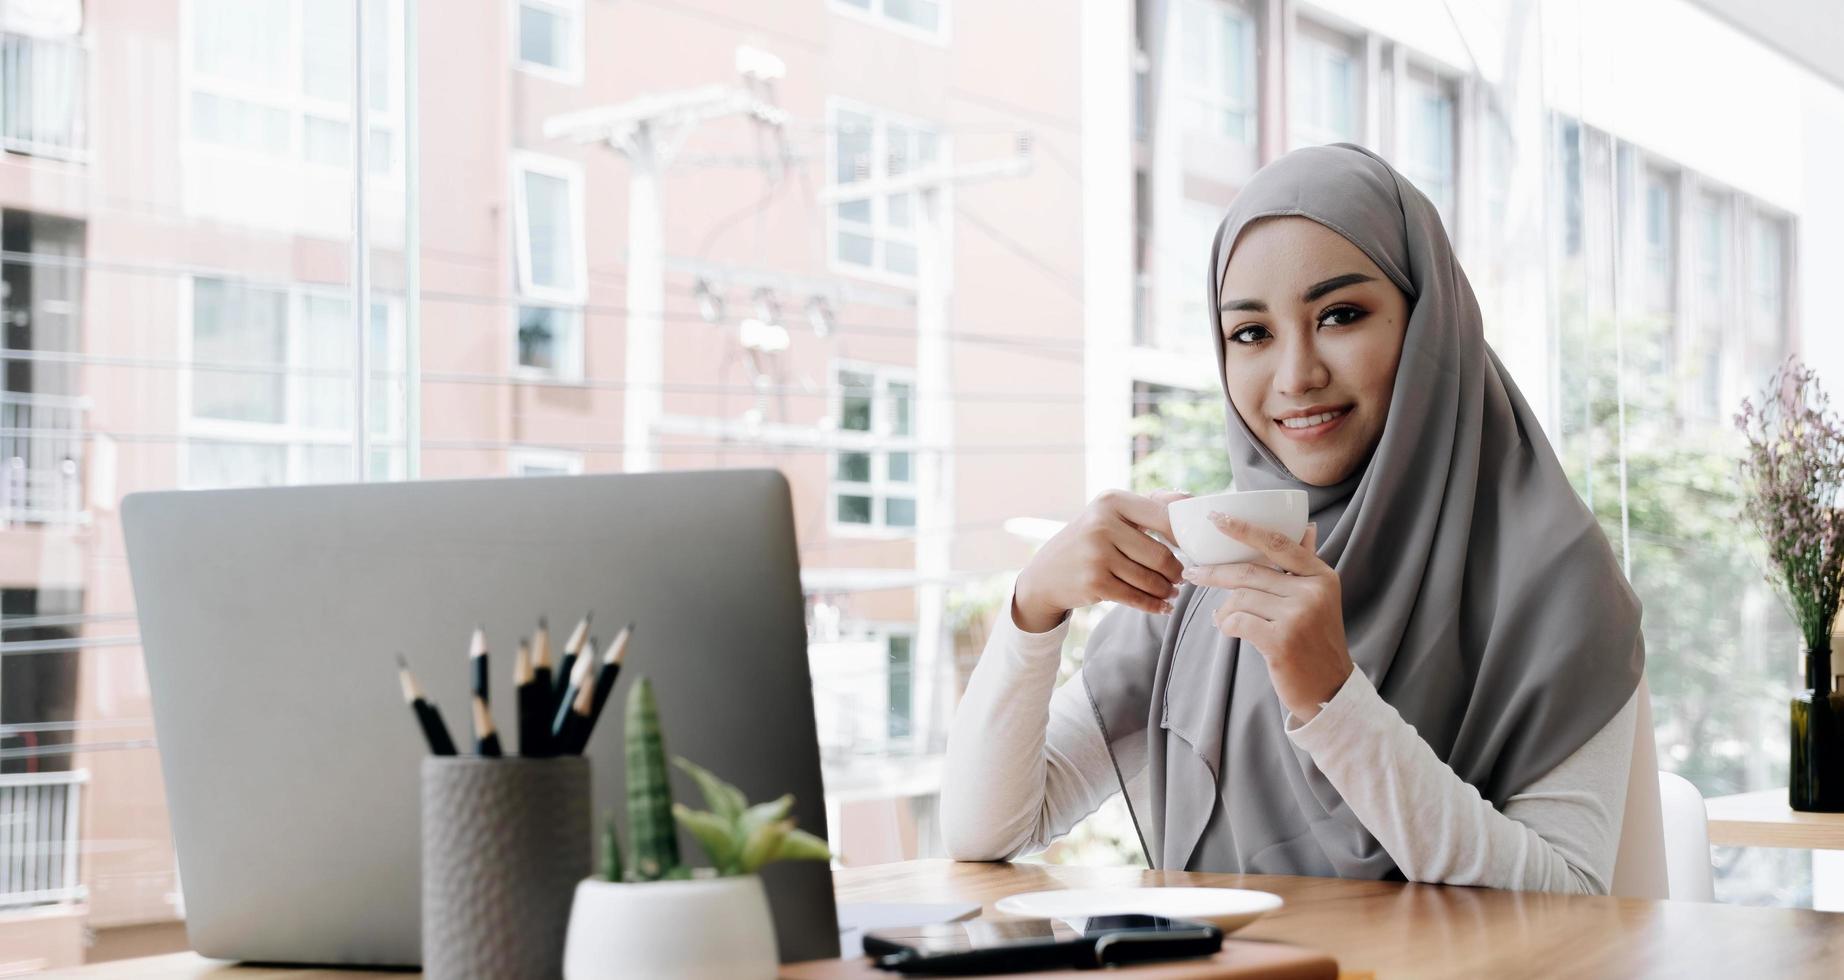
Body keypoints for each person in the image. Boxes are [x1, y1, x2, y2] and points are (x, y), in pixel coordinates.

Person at [941, 143, 1644, 893]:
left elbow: (1572, 900)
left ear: (1429, 322)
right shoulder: (1221, 564)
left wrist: (1333, 698)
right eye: (1251, 333)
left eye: (1340, 315)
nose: (1296, 375)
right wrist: (1034, 607)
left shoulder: (1556, 574)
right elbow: (989, 828)